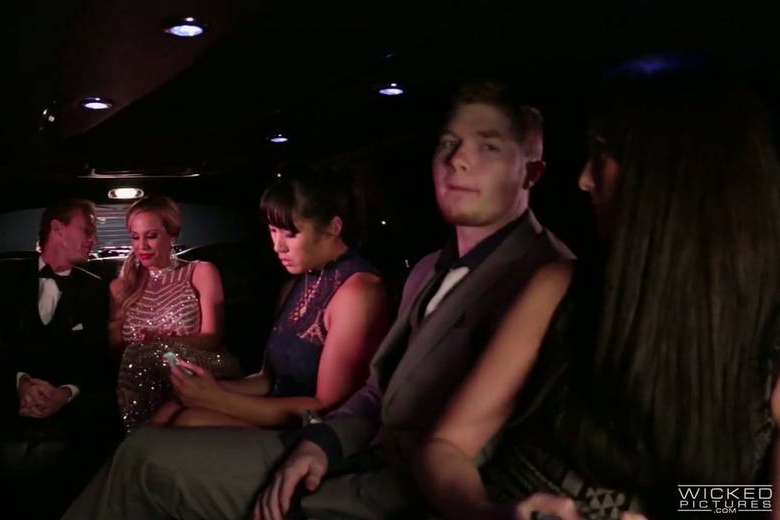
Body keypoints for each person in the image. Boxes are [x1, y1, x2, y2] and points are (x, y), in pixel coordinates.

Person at [61, 78, 573, 520]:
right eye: (448, 143)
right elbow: (374, 393)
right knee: (155, 437)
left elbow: (363, 412)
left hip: (396, 479)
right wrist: (319, 442)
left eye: (488, 147)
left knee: (151, 453)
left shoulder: (546, 280)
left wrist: (227, 403)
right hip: (344, 448)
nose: (459, 160)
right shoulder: (422, 271)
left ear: (531, 173)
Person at [414, 68, 780, 520]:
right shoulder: (562, 288)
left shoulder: (766, 330)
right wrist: (493, 513)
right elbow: (445, 446)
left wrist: (673, 509)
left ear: (669, 175)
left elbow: (759, 499)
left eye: (603, 153)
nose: (584, 179)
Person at [153, 174, 388, 429]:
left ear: (334, 227)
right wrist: (203, 389)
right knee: (173, 408)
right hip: (274, 412)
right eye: (273, 231)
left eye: (291, 234)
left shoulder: (358, 291)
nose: (278, 247)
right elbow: (268, 380)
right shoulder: (296, 285)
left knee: (188, 420)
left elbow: (327, 407)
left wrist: (217, 399)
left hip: (317, 435)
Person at [0, 199, 121, 518]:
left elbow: (98, 360)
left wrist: (64, 393)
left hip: (71, 405)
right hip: (9, 396)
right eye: (87, 229)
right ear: (57, 229)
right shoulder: (1, 279)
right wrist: (21, 383)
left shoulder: (96, 289)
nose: (94, 239)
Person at [112, 195, 242, 430]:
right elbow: (114, 348)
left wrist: (164, 342)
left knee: (150, 353)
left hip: (197, 365)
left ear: (172, 236)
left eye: (151, 236)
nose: (142, 246)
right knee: (137, 354)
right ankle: (141, 435)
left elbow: (212, 338)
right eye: (135, 237)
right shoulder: (121, 286)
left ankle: (145, 437)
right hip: (141, 380)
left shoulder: (200, 271)